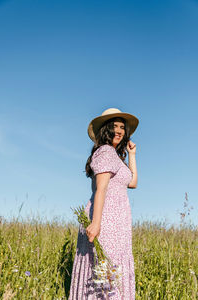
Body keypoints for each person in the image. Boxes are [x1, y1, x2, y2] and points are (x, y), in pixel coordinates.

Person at [69, 108, 139, 300]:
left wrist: (132, 154)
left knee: (110, 269)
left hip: (119, 221)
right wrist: (96, 223)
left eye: (122, 127)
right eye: (114, 126)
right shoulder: (106, 151)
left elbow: (132, 182)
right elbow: (101, 189)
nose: (119, 131)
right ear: (106, 130)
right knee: (104, 270)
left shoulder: (115, 156)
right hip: (106, 218)